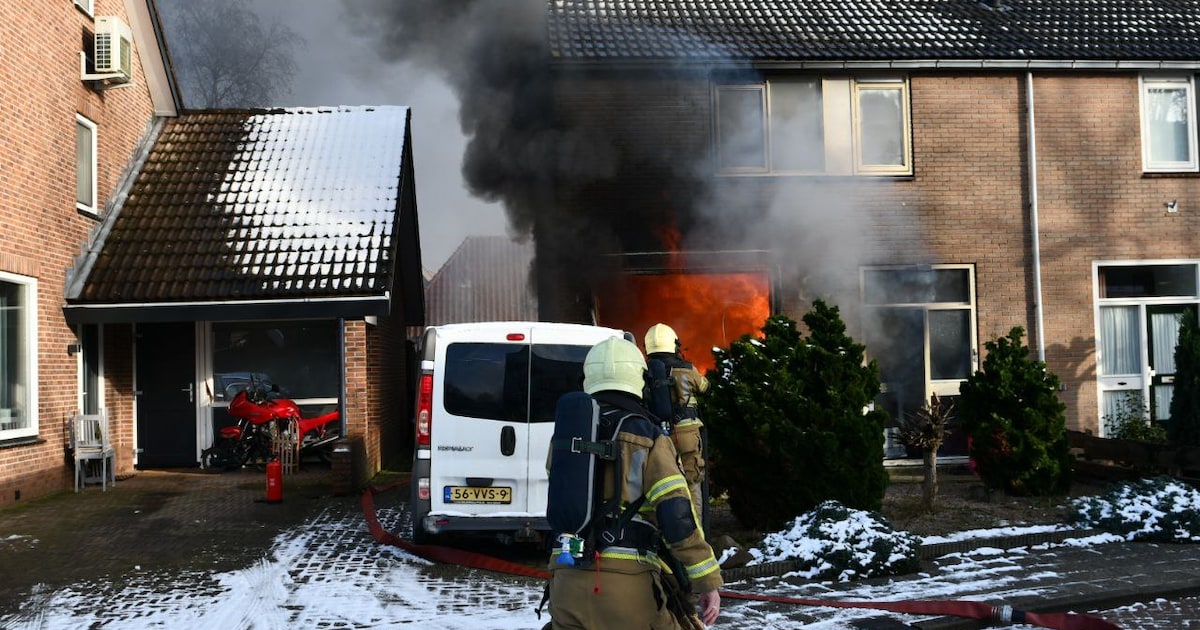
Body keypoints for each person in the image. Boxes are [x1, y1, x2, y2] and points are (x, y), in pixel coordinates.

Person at [546, 337, 722, 629]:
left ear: (588, 378)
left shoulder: (565, 439)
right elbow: (677, 516)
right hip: (628, 589)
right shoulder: (649, 436)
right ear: (639, 380)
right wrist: (707, 581)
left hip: (565, 583)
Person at [644, 323, 711, 512]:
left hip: (657, 436)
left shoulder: (644, 371)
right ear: (674, 344)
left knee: (663, 481)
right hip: (687, 434)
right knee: (692, 479)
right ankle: (696, 532)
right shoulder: (687, 369)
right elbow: (705, 386)